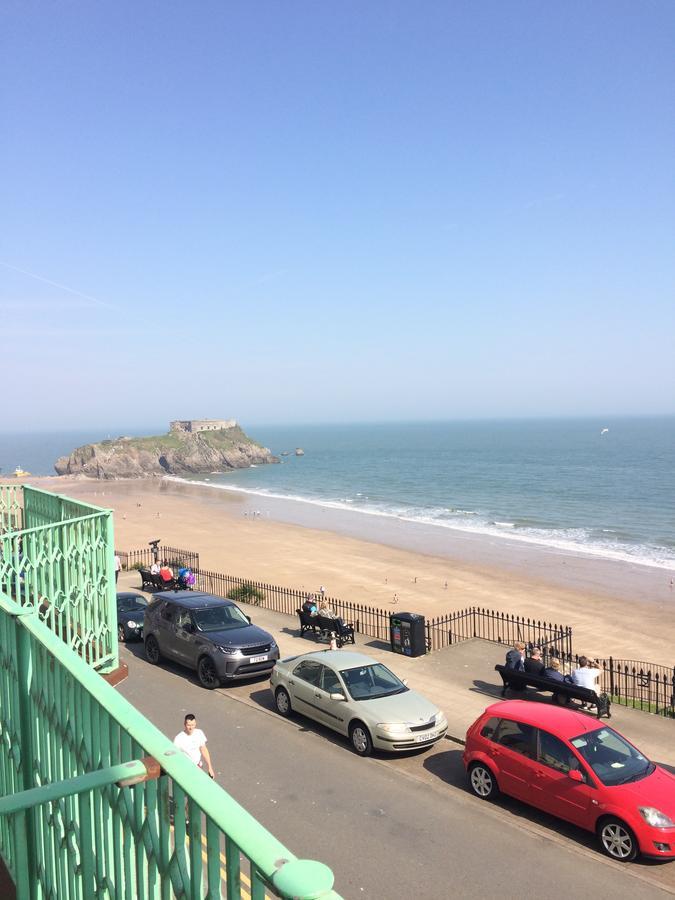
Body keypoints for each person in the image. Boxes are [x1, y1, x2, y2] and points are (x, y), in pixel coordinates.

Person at [173, 714, 215, 778]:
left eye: (193, 725)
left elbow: (203, 750)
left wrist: (210, 767)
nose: (191, 727)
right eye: (188, 725)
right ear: (184, 724)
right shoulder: (178, 738)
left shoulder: (199, 733)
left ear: (195, 724)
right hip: (186, 770)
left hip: (198, 767)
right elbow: (175, 756)